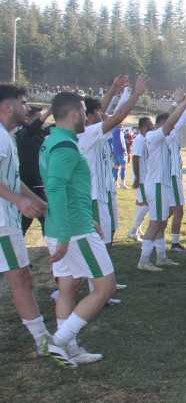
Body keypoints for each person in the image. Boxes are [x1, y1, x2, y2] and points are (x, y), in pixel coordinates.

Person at [39, 91, 119, 368]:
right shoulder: (65, 147)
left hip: (69, 224)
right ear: (74, 113)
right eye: (85, 111)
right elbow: (56, 188)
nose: (87, 116)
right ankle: (58, 342)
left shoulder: (52, 141)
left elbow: (70, 188)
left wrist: (88, 217)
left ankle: (68, 349)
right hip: (72, 230)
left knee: (68, 287)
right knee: (105, 287)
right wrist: (65, 235)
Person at [0, 85, 51, 360]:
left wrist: (40, 204)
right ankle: (43, 341)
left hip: (6, 219)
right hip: (2, 223)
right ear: (7, 106)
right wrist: (19, 203)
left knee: (23, 279)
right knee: (21, 278)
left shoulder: (6, 137)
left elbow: (13, 181)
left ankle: (43, 339)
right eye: (23, 102)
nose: (27, 108)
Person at [78, 76, 141, 252]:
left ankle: (100, 276)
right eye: (98, 112)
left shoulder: (93, 131)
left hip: (104, 191)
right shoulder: (87, 133)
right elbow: (119, 115)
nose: (103, 114)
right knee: (100, 241)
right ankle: (95, 277)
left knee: (109, 233)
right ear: (88, 116)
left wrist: (113, 92)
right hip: (94, 195)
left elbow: (101, 111)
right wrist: (137, 93)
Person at [137, 91, 186, 271]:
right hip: (156, 185)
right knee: (155, 222)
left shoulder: (164, 137)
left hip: (161, 185)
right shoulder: (153, 136)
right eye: (168, 126)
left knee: (161, 221)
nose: (172, 129)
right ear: (162, 125)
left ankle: (161, 257)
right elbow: (171, 122)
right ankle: (144, 260)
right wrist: (185, 102)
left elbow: (177, 124)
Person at [165, 89, 186, 253]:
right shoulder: (168, 135)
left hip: (171, 175)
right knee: (178, 209)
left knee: (170, 210)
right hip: (172, 176)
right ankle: (175, 243)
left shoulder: (167, 135)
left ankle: (156, 234)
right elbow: (180, 120)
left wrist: (177, 103)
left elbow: (169, 117)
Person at [15, 105, 52, 235]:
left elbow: (55, 127)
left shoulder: (39, 133)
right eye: (39, 118)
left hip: (37, 183)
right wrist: (47, 113)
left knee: (26, 221)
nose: (42, 121)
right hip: (28, 184)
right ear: (29, 120)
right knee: (47, 215)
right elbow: (32, 129)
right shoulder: (22, 134)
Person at [128, 117, 152, 241]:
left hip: (143, 176)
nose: (152, 126)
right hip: (141, 178)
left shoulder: (144, 139)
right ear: (143, 126)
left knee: (139, 203)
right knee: (147, 204)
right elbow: (136, 158)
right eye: (149, 124)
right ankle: (133, 230)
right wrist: (137, 178)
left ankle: (138, 229)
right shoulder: (139, 140)